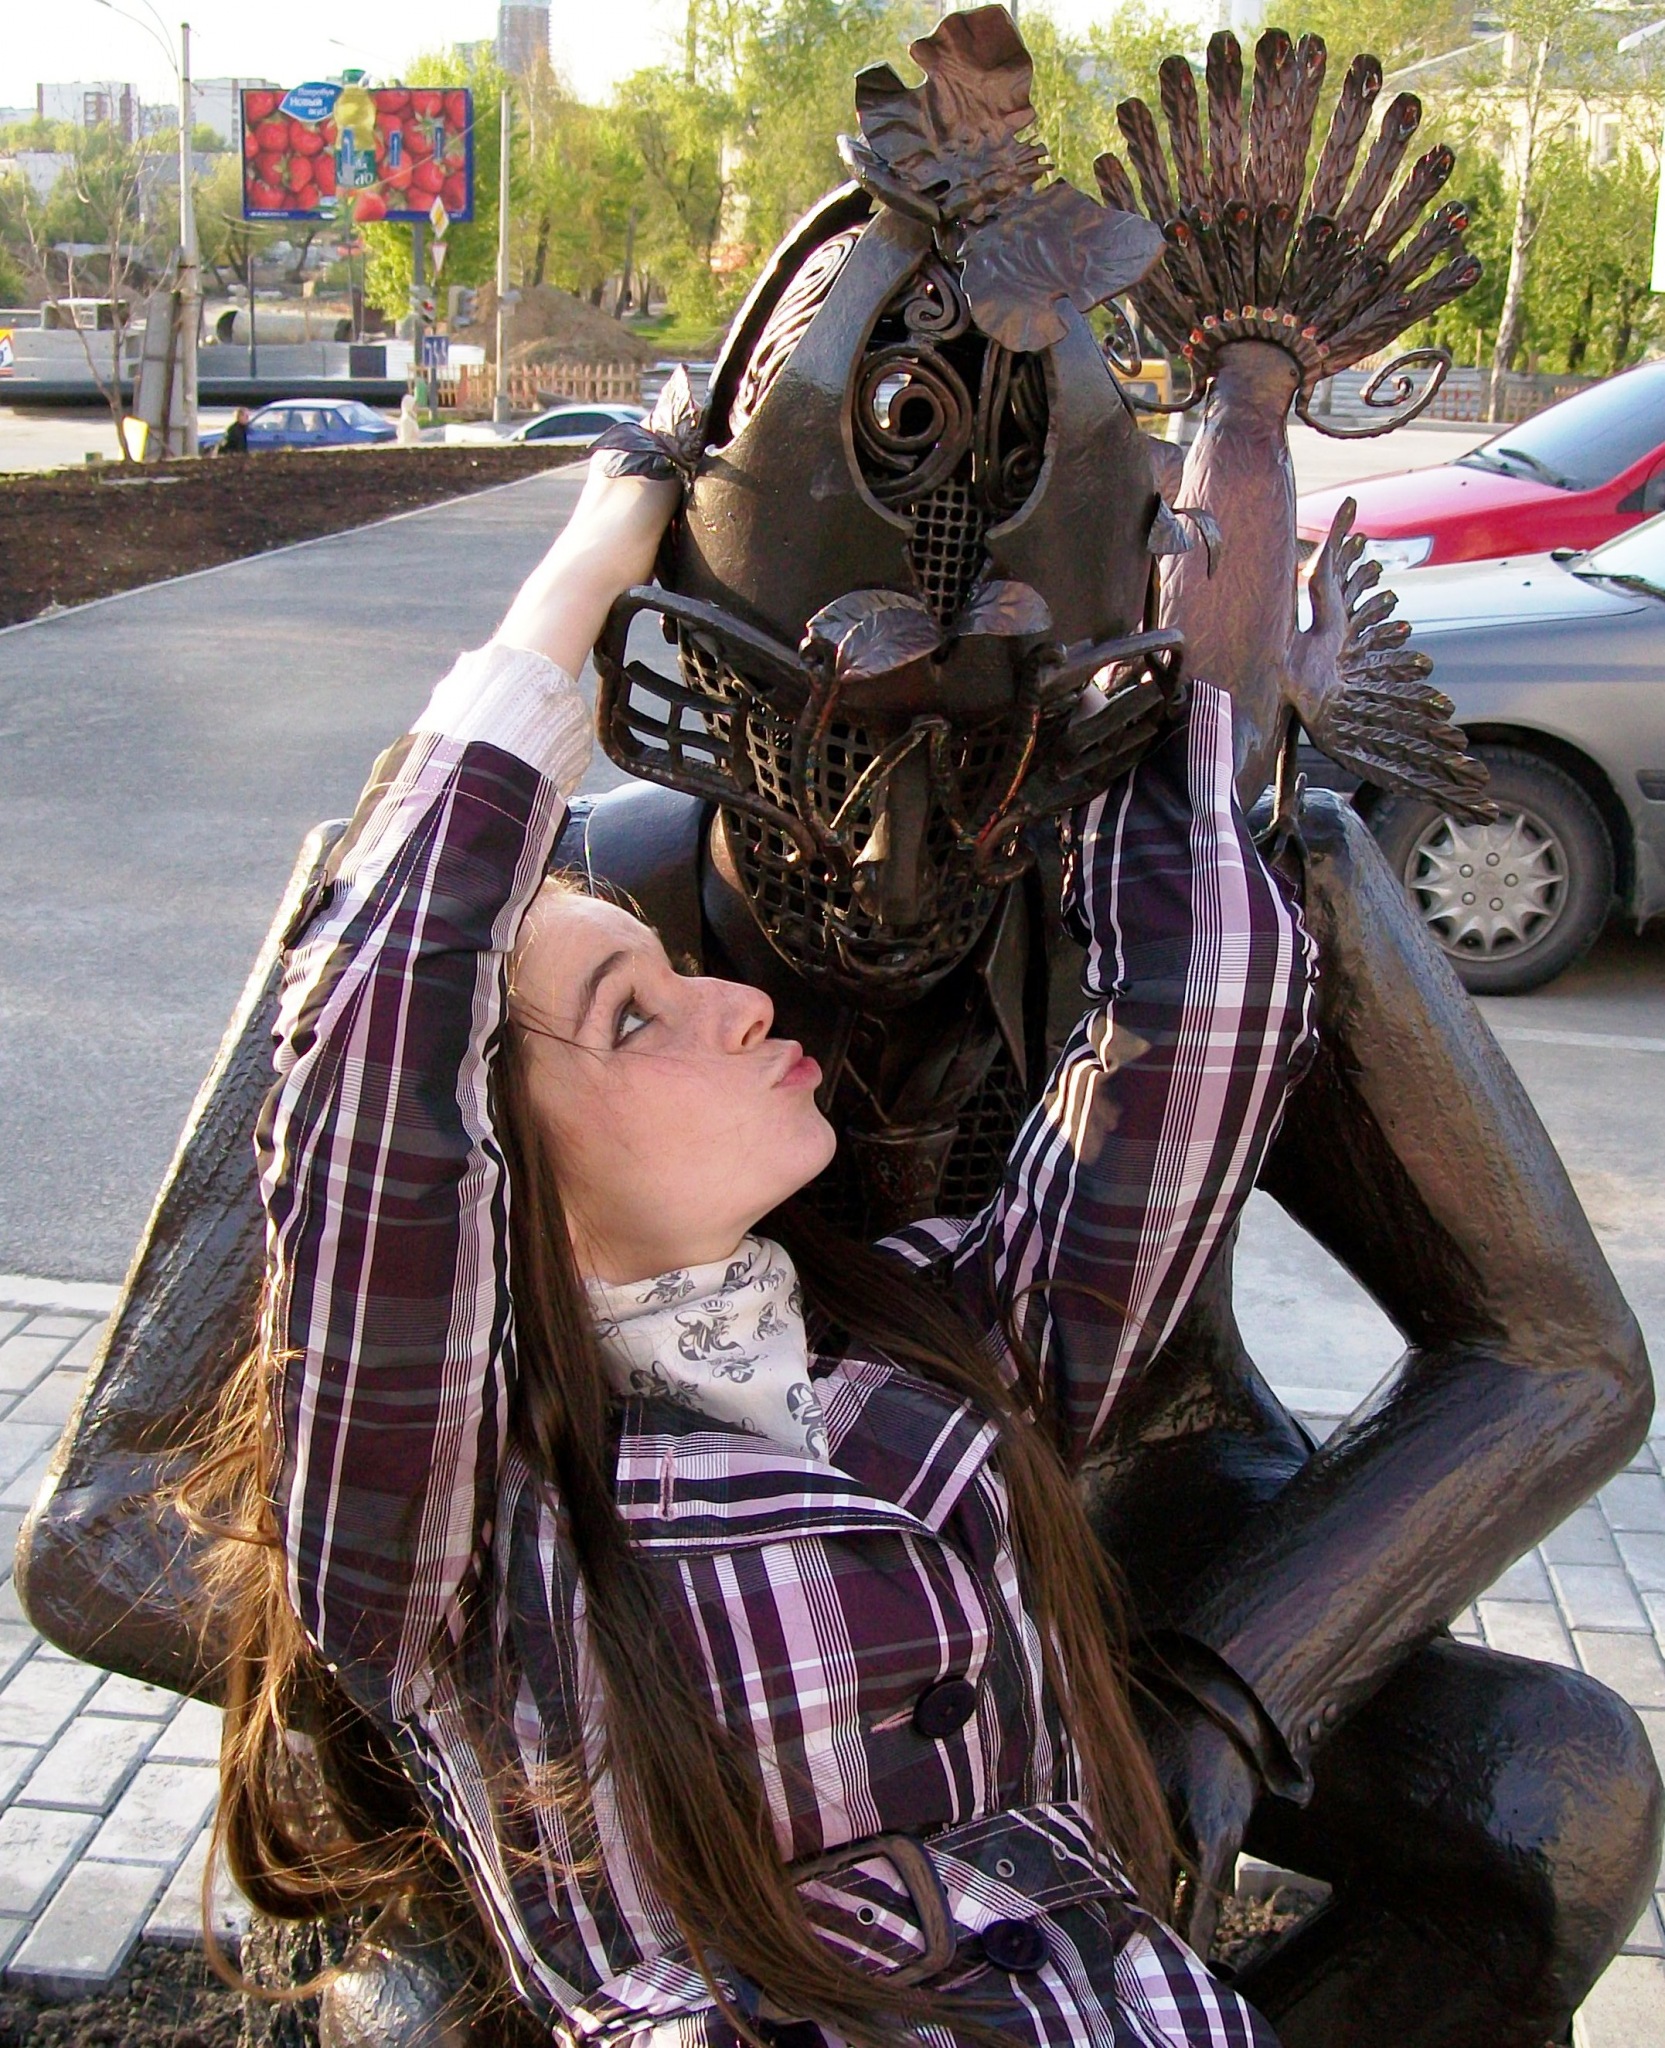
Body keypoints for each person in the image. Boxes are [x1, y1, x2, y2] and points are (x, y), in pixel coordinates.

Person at [202, 449, 1316, 2047]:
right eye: (632, 1016)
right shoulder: (461, 1530)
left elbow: (1203, 1032)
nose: (734, 1002)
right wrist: (585, 571)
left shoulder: (945, 1334)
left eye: (673, 971)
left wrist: (1140, 694)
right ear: (493, 1167)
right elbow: (378, 1041)